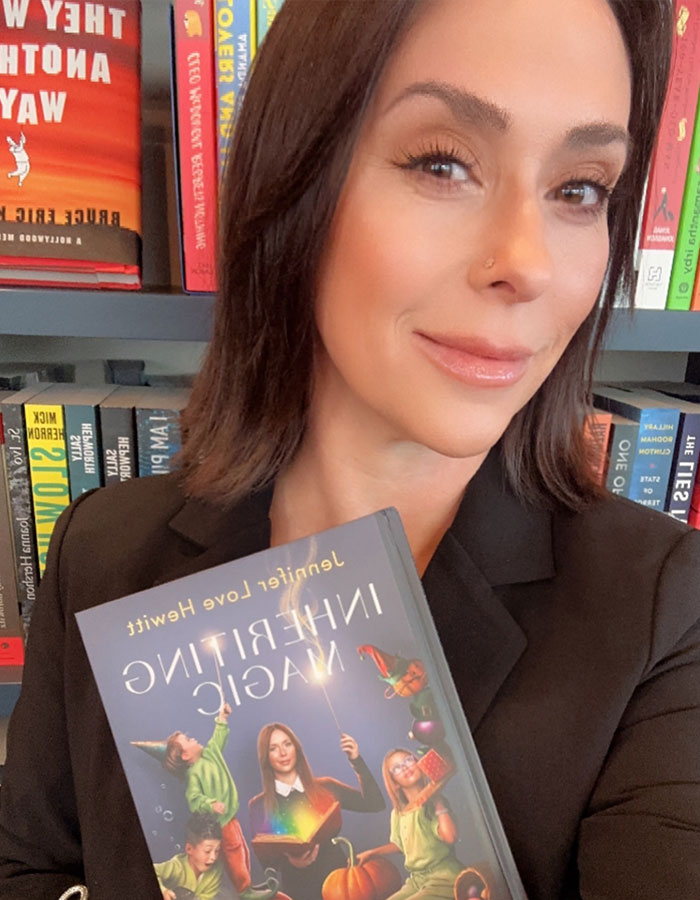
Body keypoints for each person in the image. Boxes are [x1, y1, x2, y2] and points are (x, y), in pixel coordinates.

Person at [0, 0, 696, 898]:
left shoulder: (665, 612)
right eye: (444, 164)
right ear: (297, 183)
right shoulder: (103, 551)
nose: (527, 263)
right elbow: (31, 867)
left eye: (579, 189)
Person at [248, 724, 385, 899]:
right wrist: (292, 862)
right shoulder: (259, 806)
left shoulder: (326, 787)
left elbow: (375, 804)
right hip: (299, 893)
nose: (283, 753)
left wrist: (356, 761)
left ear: (296, 748)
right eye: (273, 748)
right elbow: (266, 864)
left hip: (341, 887)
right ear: (266, 757)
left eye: (287, 744)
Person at [159, 702, 278, 900]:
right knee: (234, 854)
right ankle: (244, 890)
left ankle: (248, 885)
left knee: (242, 850)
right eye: (187, 740)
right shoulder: (193, 775)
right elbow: (194, 800)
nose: (193, 738)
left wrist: (222, 718)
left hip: (230, 817)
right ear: (185, 755)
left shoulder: (210, 754)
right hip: (220, 823)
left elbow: (218, 738)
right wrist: (211, 804)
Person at [356, 749, 464, 899]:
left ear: (419, 763)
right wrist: (371, 853)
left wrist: (438, 801)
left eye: (408, 760)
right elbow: (401, 845)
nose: (405, 767)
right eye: (397, 768)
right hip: (416, 880)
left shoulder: (433, 803)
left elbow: (450, 837)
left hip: (444, 877)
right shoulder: (398, 814)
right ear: (395, 783)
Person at [154, 812, 225, 900]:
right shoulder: (177, 866)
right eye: (207, 851)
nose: (213, 857)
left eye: (217, 850)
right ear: (189, 849)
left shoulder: (216, 871)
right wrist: (163, 891)